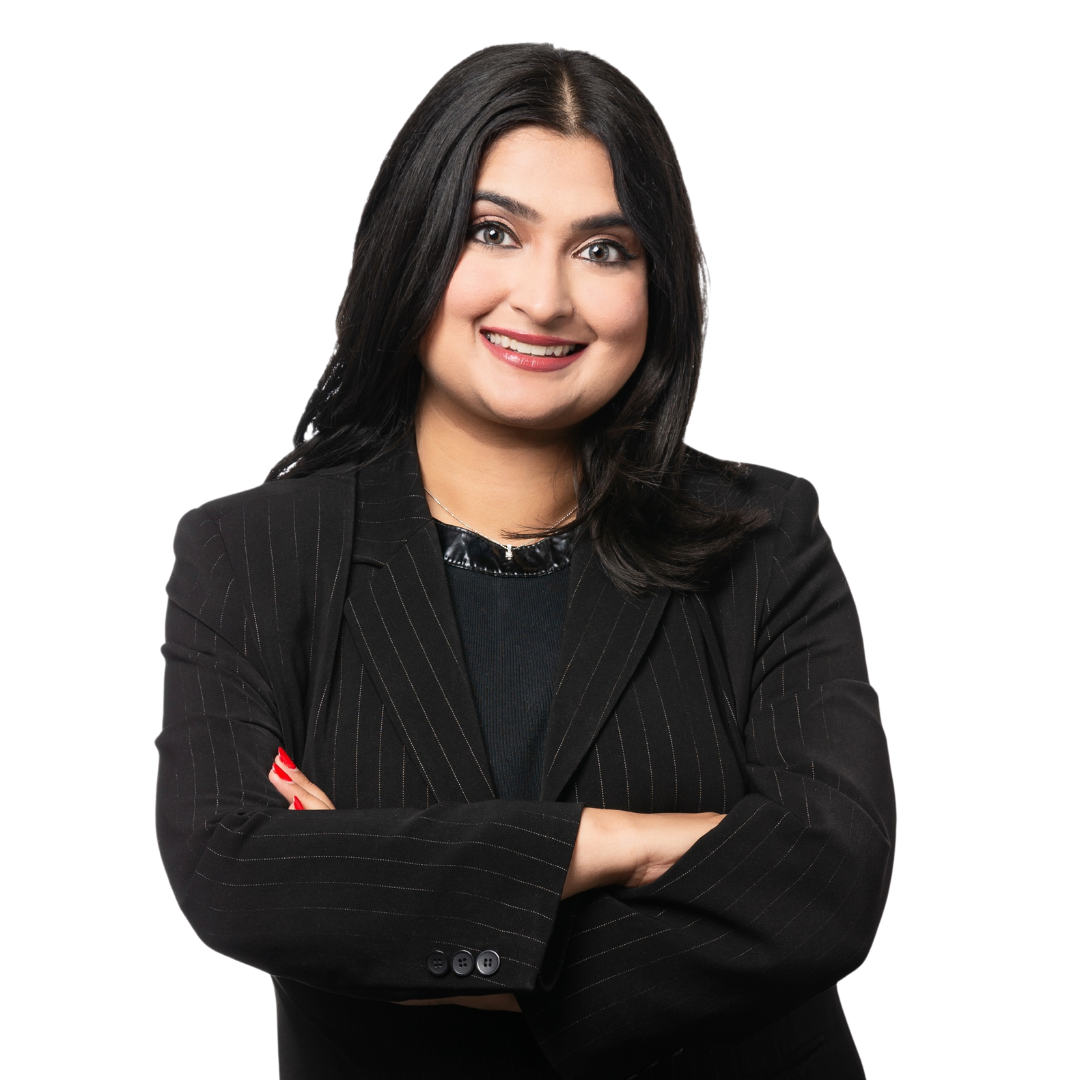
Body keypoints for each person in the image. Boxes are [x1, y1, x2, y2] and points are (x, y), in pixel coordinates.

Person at [157, 42, 896, 1080]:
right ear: (408, 249)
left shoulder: (765, 536)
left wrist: (412, 911)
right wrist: (623, 842)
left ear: (658, 284)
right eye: (491, 232)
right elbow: (230, 875)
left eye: (604, 250)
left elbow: (828, 883)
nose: (545, 299)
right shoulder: (250, 553)